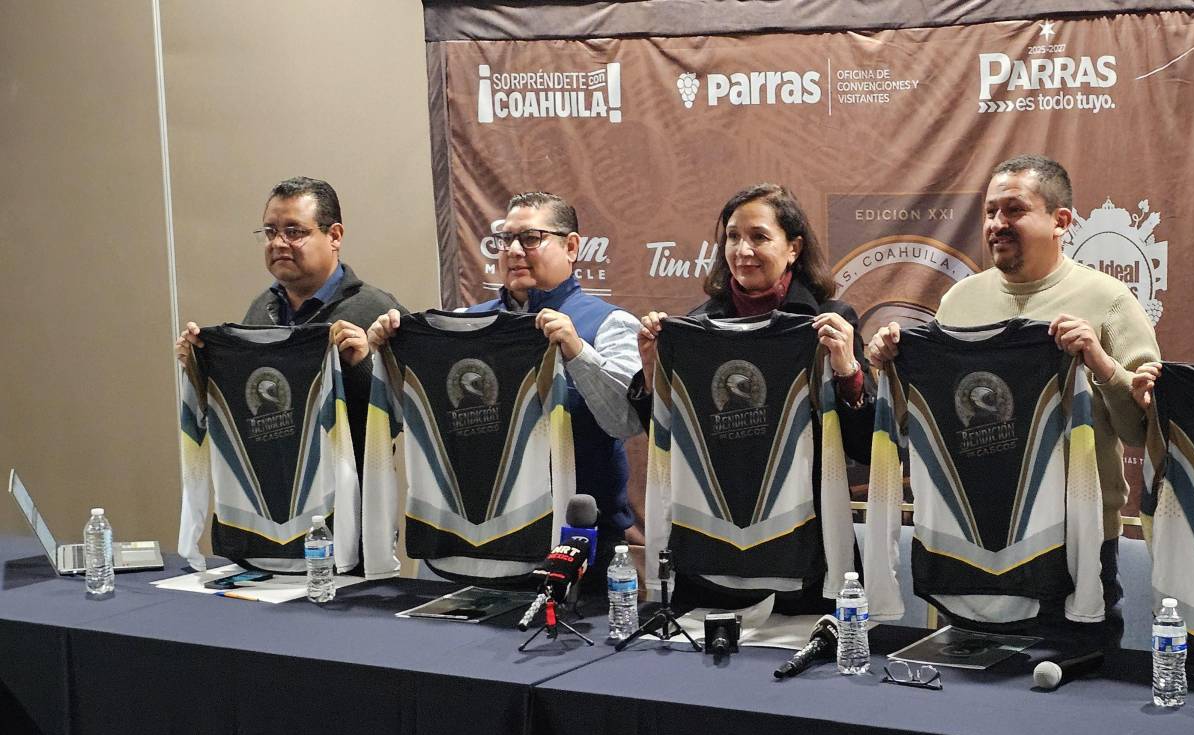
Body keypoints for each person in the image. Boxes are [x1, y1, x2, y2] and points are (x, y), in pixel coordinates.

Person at [867, 154, 1160, 642]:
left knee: (1072, 677)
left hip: (1076, 540)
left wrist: (1102, 366)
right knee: (969, 682)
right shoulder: (959, 301)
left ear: (1060, 221)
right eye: (990, 212)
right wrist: (891, 371)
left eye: (1014, 210)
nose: (997, 224)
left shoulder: (1109, 301)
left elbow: (1143, 431)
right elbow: (928, 423)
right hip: (972, 537)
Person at [368, 191, 643, 591]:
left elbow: (626, 420)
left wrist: (578, 353)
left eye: (530, 238)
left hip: (576, 551)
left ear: (571, 246)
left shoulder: (611, 324)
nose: (513, 251)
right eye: (504, 239)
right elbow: (411, 421)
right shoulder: (462, 324)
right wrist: (388, 360)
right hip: (472, 547)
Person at [632, 183, 875, 613]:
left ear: (794, 247)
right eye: (732, 237)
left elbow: (863, 445)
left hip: (805, 553)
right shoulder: (694, 329)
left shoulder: (828, 323)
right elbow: (667, 441)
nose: (743, 250)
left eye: (759, 236)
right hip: (711, 553)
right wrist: (653, 373)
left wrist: (847, 372)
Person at [175, 177, 407, 474]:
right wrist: (201, 375)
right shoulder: (260, 310)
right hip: (273, 486)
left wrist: (362, 366)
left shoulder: (376, 310)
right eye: (270, 231)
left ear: (334, 236)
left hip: (349, 492)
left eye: (294, 232)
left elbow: (411, 415)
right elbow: (243, 413)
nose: (278, 243)